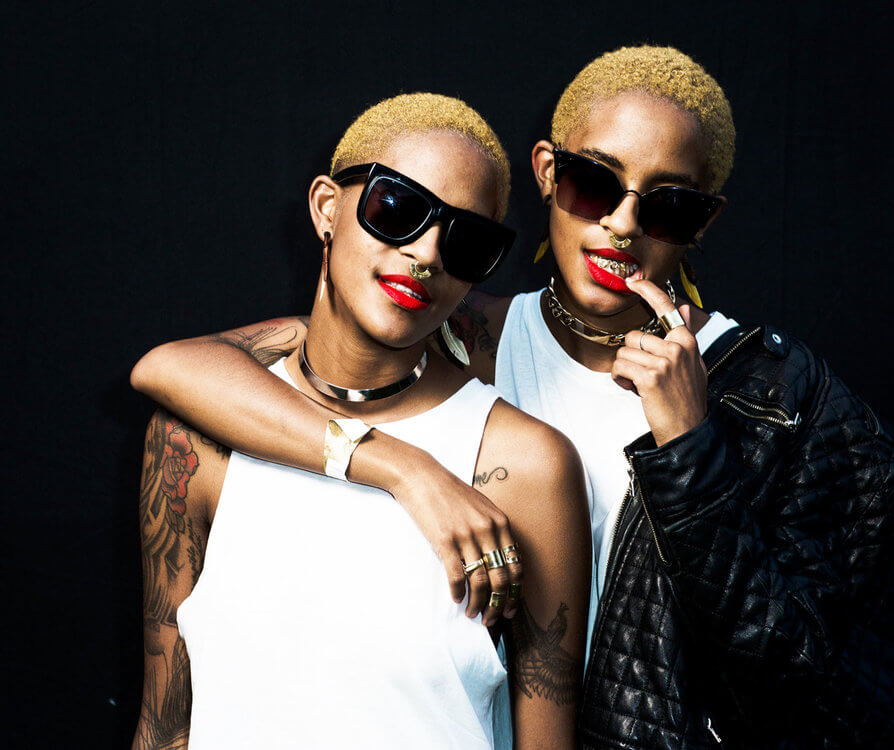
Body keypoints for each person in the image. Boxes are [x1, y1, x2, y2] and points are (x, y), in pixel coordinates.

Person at [132, 48, 894, 748]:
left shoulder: (780, 400)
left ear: (703, 221)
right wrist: (402, 466)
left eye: (666, 205)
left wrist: (692, 449)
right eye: (594, 183)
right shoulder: (461, 330)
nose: (622, 225)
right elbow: (186, 369)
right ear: (548, 172)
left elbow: (793, 667)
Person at [130, 93, 591, 750]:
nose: (427, 253)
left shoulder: (525, 466)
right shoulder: (197, 438)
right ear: (327, 208)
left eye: (467, 242)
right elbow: (163, 724)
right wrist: (405, 468)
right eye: (397, 209)